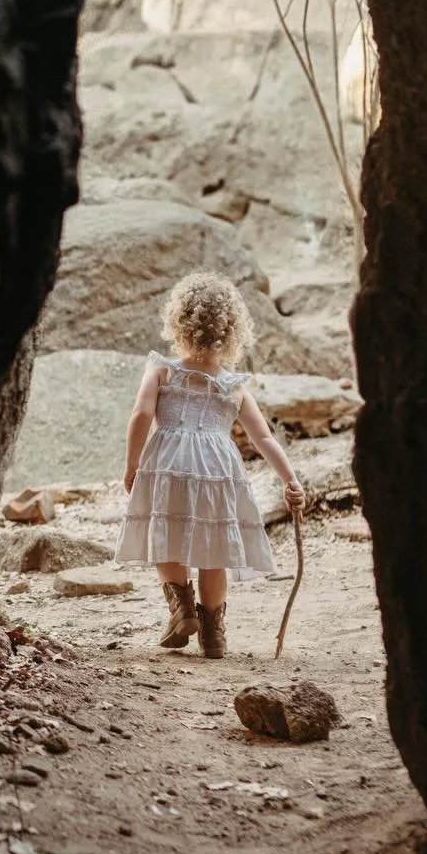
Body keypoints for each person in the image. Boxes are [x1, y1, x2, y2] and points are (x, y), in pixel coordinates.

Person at [114, 272, 306, 659]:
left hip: (168, 462)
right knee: (214, 549)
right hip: (218, 469)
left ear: (178, 322)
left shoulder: (162, 370)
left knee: (165, 532)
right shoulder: (233, 386)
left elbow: (141, 415)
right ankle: (214, 633)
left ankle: (183, 610)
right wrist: (291, 479)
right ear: (231, 332)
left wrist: (132, 464)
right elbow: (264, 438)